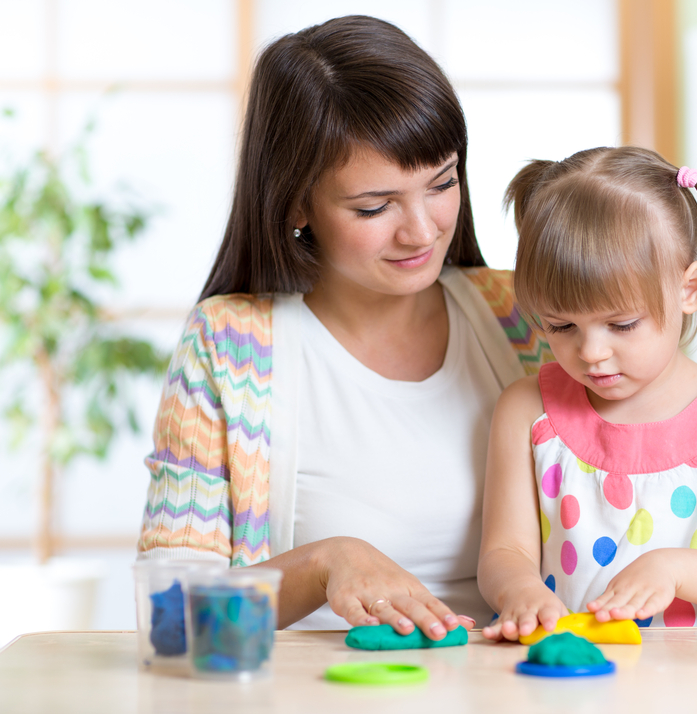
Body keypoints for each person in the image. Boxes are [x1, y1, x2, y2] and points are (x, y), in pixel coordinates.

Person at [137, 15, 553, 640]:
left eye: (442, 183)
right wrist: (323, 563)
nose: (421, 229)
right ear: (297, 203)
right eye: (374, 206)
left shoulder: (525, 312)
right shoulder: (228, 345)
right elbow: (169, 621)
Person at [478, 147, 697, 641]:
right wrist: (518, 590)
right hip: (565, 677)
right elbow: (504, 553)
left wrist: (673, 569)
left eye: (621, 324)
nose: (591, 352)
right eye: (561, 325)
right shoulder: (527, 411)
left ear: (690, 288)